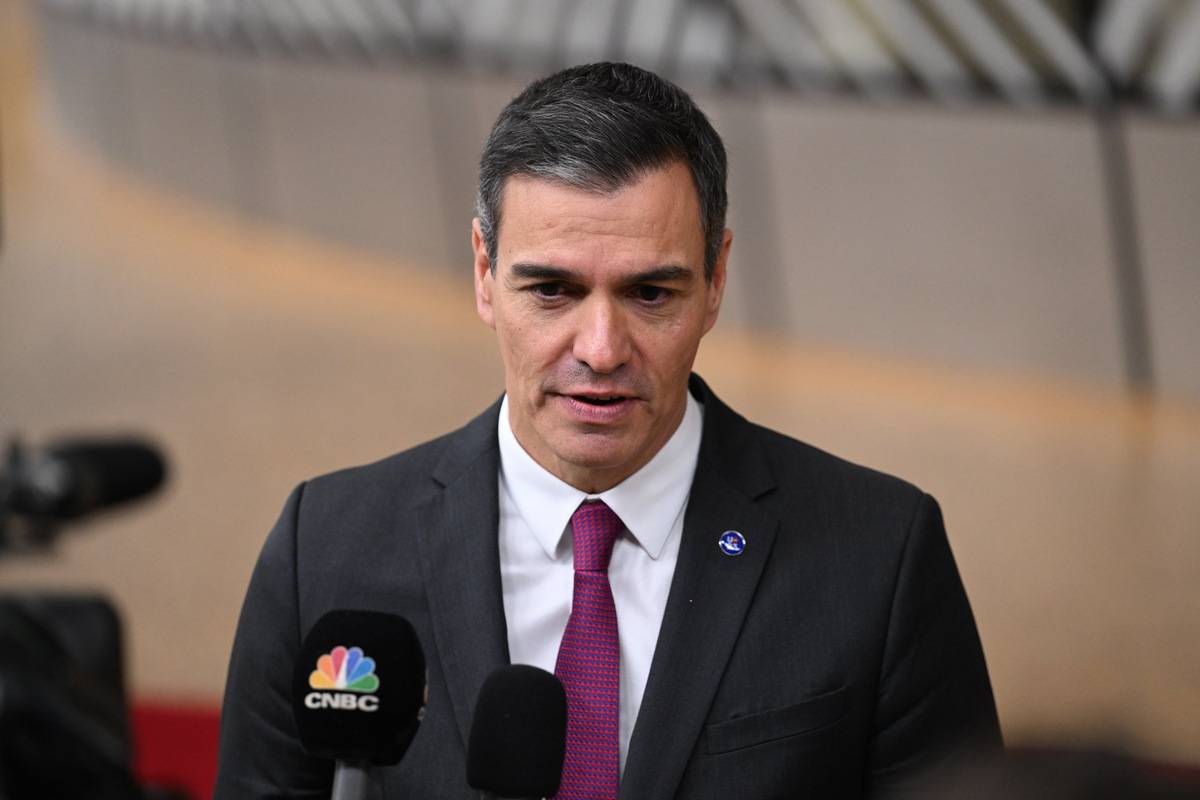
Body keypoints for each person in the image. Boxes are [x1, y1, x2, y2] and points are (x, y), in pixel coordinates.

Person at [216, 61, 1001, 799]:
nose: (600, 349)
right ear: (485, 273)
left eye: (650, 294)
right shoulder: (325, 545)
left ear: (716, 279)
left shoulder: (879, 556)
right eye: (552, 290)